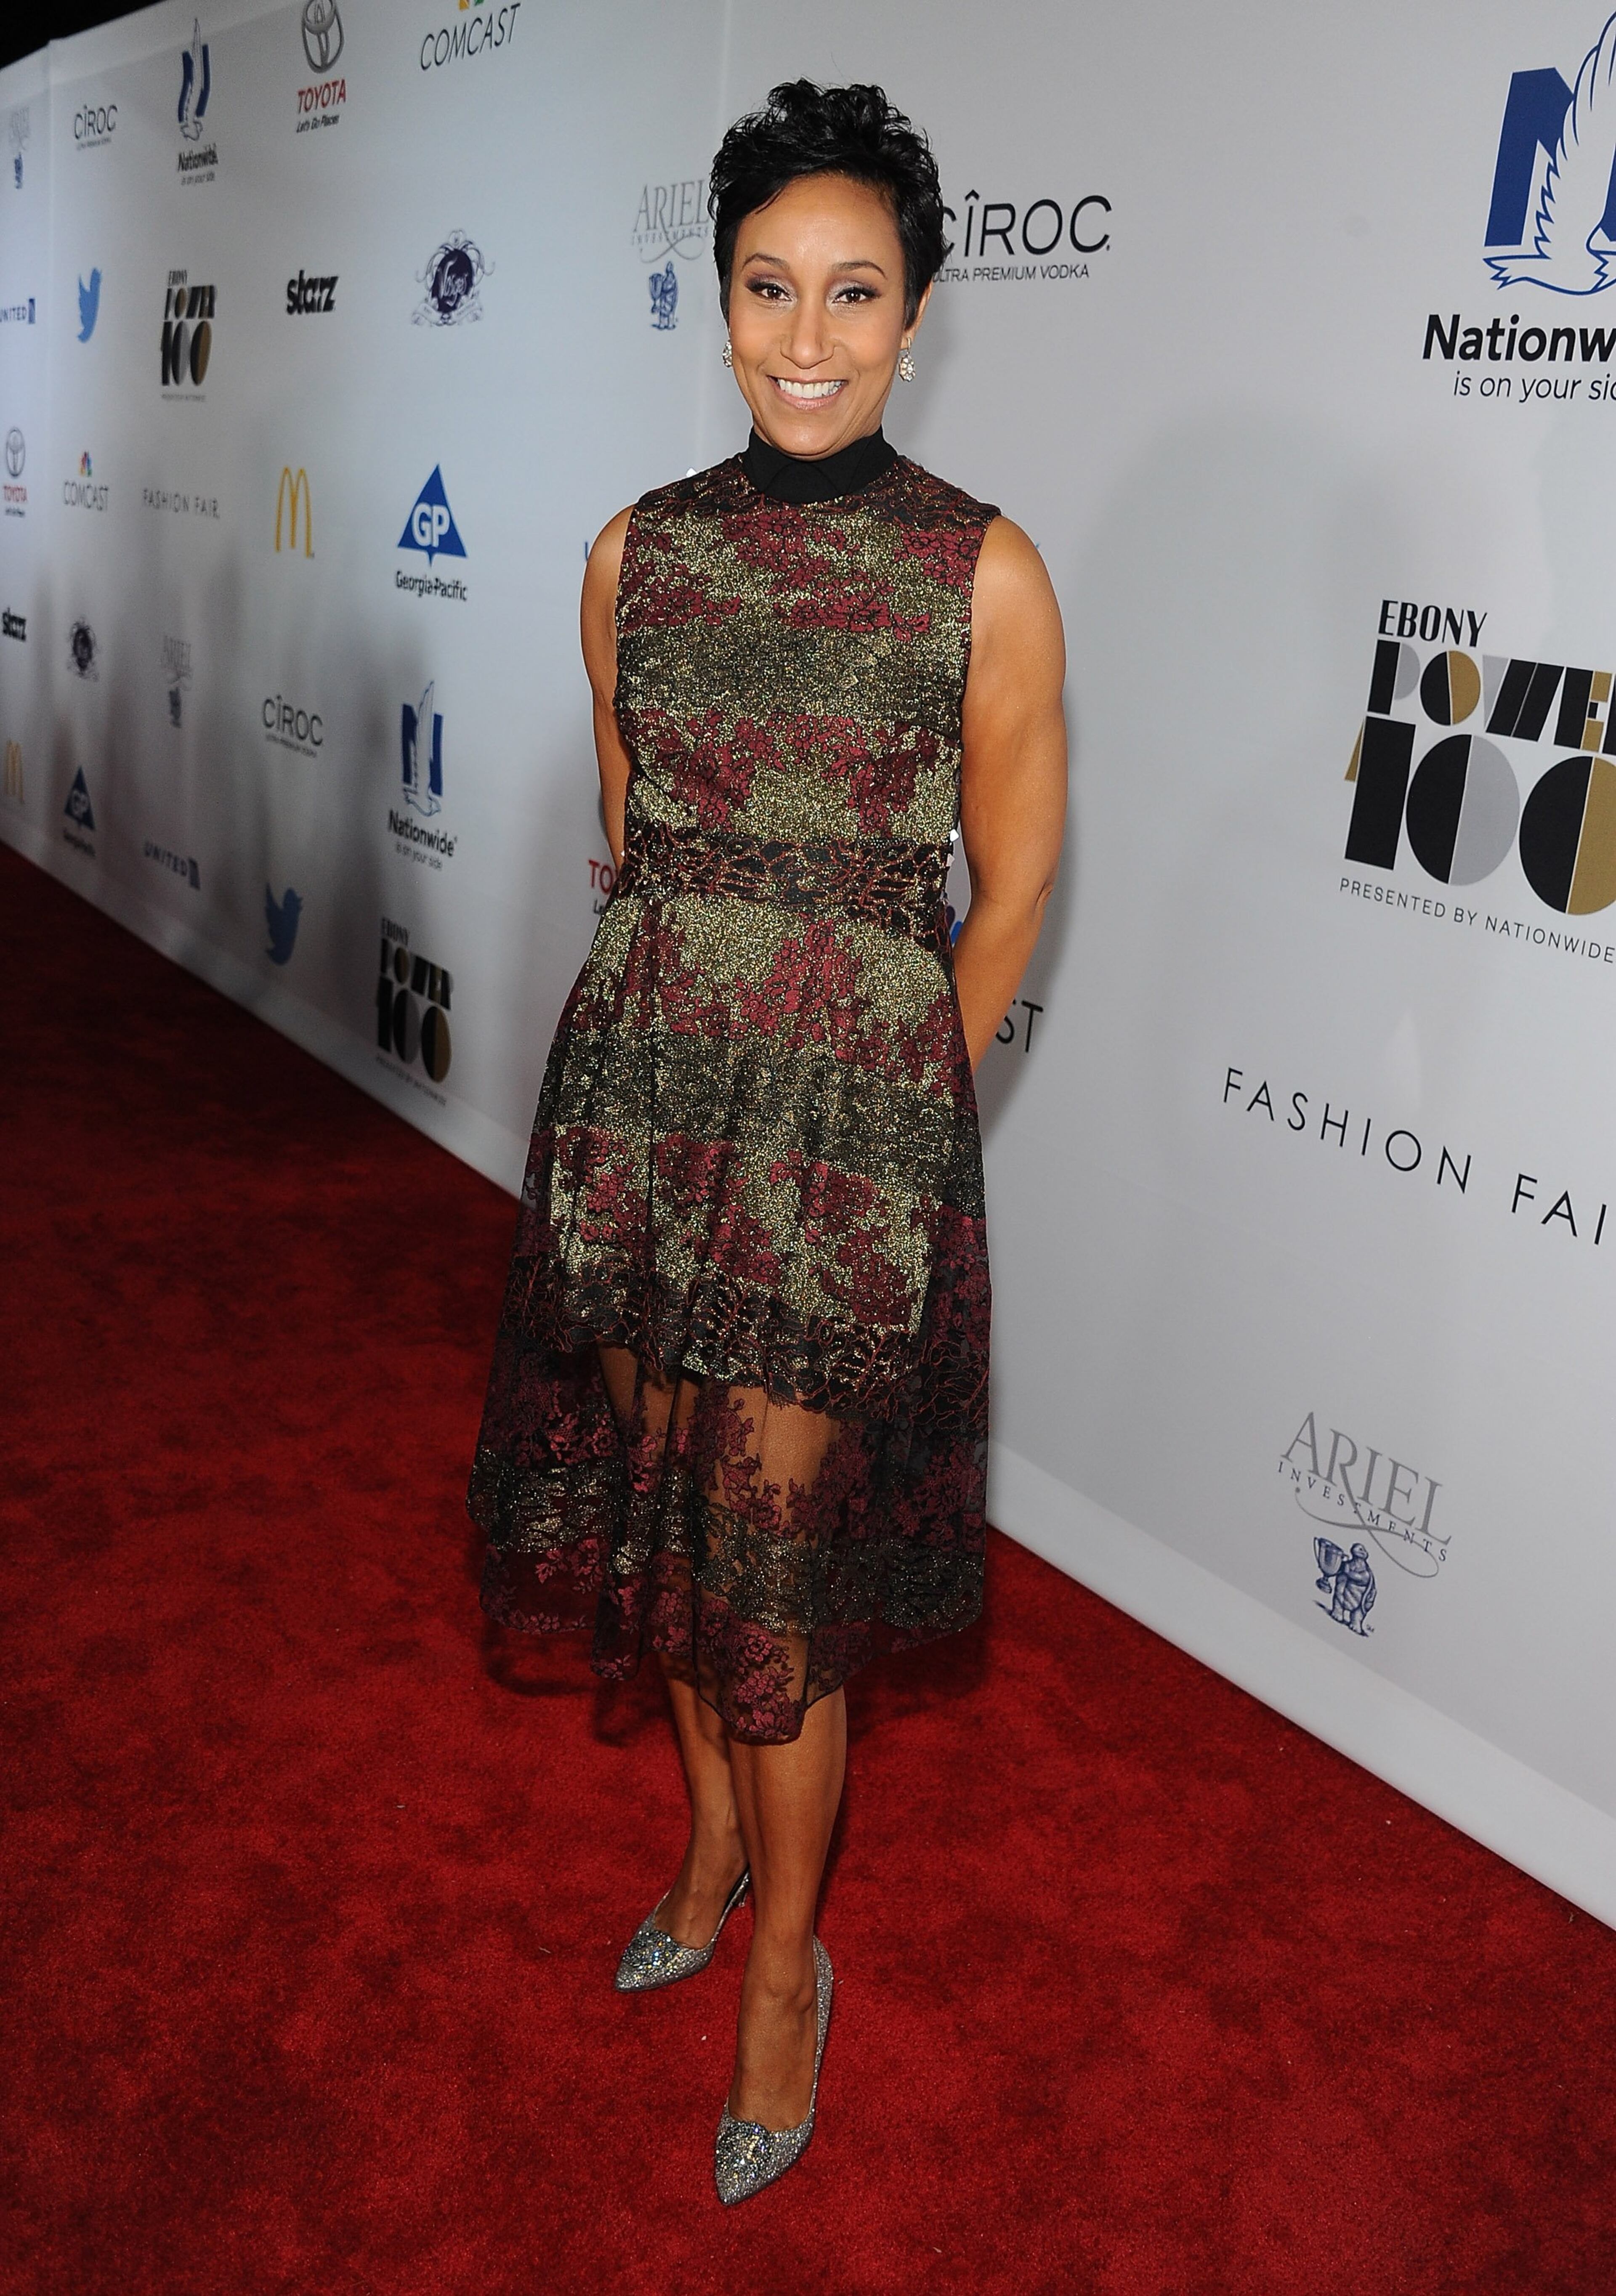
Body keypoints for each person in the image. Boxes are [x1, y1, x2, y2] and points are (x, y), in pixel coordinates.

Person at [468, 79, 1067, 2204]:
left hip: (840, 1147)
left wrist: (904, 1107)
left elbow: (1007, 890)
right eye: (767, 289)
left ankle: (788, 1965)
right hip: (645, 1104)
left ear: (917, 315)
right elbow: (637, 852)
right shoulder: (638, 551)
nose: (808, 338)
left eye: (857, 295)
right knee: (665, 1503)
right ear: (718, 298)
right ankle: (713, 1842)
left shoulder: (980, 573)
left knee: (771, 1571)